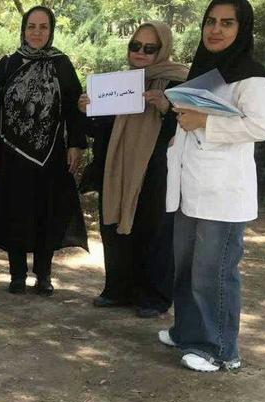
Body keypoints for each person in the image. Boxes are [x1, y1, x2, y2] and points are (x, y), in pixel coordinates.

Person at [159, 0, 265, 372]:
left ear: (243, 28)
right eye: (210, 21)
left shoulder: (251, 76)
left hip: (222, 192)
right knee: (186, 267)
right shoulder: (204, 71)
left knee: (213, 272)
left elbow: (260, 127)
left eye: (227, 23)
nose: (216, 30)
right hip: (191, 186)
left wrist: (206, 123)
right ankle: (188, 332)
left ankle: (220, 349)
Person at [78, 22, 187, 317]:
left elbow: (187, 126)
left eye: (149, 48)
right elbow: (99, 130)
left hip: (156, 169)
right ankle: (118, 289)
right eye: (135, 46)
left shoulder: (178, 82)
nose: (140, 52)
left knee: (154, 229)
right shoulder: (119, 83)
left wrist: (166, 107)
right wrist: (88, 110)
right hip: (117, 168)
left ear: (163, 49)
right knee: (114, 226)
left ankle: (154, 297)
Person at [0, 6, 87, 295]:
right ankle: (17, 275)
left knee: (46, 213)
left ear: (51, 31)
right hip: (11, 154)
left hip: (50, 154)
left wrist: (76, 144)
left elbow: (74, 108)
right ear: (23, 29)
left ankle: (43, 275)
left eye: (43, 27)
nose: (37, 32)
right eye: (32, 26)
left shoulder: (61, 64)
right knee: (15, 212)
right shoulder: (8, 64)